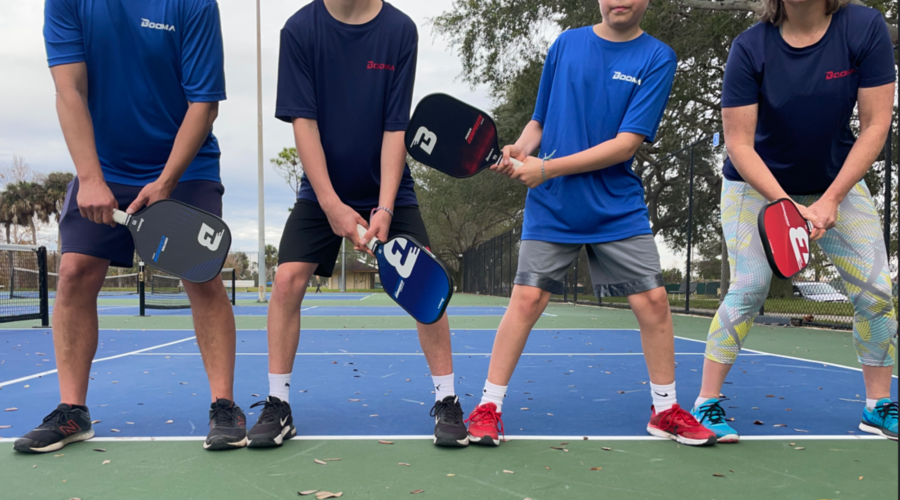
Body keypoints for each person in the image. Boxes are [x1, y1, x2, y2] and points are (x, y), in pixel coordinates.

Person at [466, 0, 717, 447]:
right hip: (554, 205)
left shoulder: (658, 57)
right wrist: (520, 150)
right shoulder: (566, 44)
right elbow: (539, 120)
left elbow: (625, 145)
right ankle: (488, 407)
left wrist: (547, 169)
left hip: (615, 204)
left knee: (655, 302)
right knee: (526, 300)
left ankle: (665, 410)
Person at [14, 0, 245, 454]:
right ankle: (72, 413)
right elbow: (69, 91)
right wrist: (91, 177)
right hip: (104, 165)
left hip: (186, 163)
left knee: (203, 277)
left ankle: (224, 406)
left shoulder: (193, 4)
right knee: (76, 272)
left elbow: (204, 104)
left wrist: (165, 183)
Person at [247, 0, 468, 448]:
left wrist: (385, 208)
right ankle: (278, 403)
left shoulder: (400, 30)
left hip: (389, 186)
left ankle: (447, 401)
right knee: (288, 280)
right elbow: (303, 125)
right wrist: (330, 204)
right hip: (321, 188)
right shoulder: (299, 30)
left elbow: (394, 128)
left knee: (424, 277)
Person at [691, 0, 897, 442]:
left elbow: (877, 123)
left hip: (834, 182)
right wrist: (787, 207)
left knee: (878, 291)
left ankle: (879, 407)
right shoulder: (749, 48)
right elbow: (739, 145)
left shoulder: (863, 27)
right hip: (754, 185)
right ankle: (706, 403)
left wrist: (830, 200)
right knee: (748, 286)